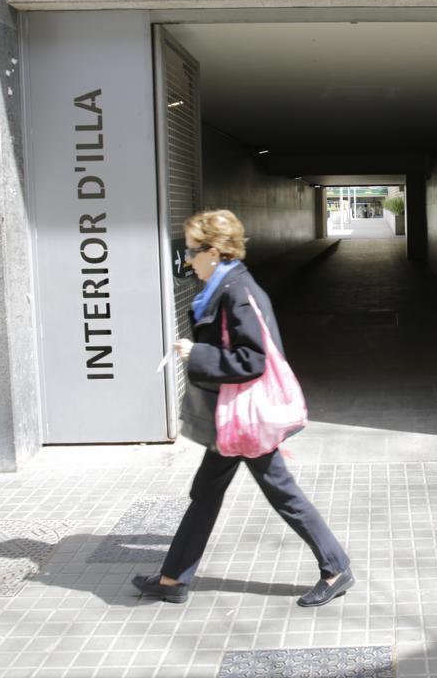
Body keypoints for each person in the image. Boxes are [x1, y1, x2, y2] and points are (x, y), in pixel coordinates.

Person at [132, 209, 354, 606]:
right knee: (205, 493)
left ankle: (336, 566)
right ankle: (172, 580)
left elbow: (253, 360)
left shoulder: (237, 292)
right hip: (229, 419)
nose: (187, 259)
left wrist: (198, 354)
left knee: (280, 493)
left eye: (192, 250)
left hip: (242, 418)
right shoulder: (221, 288)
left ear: (214, 252)